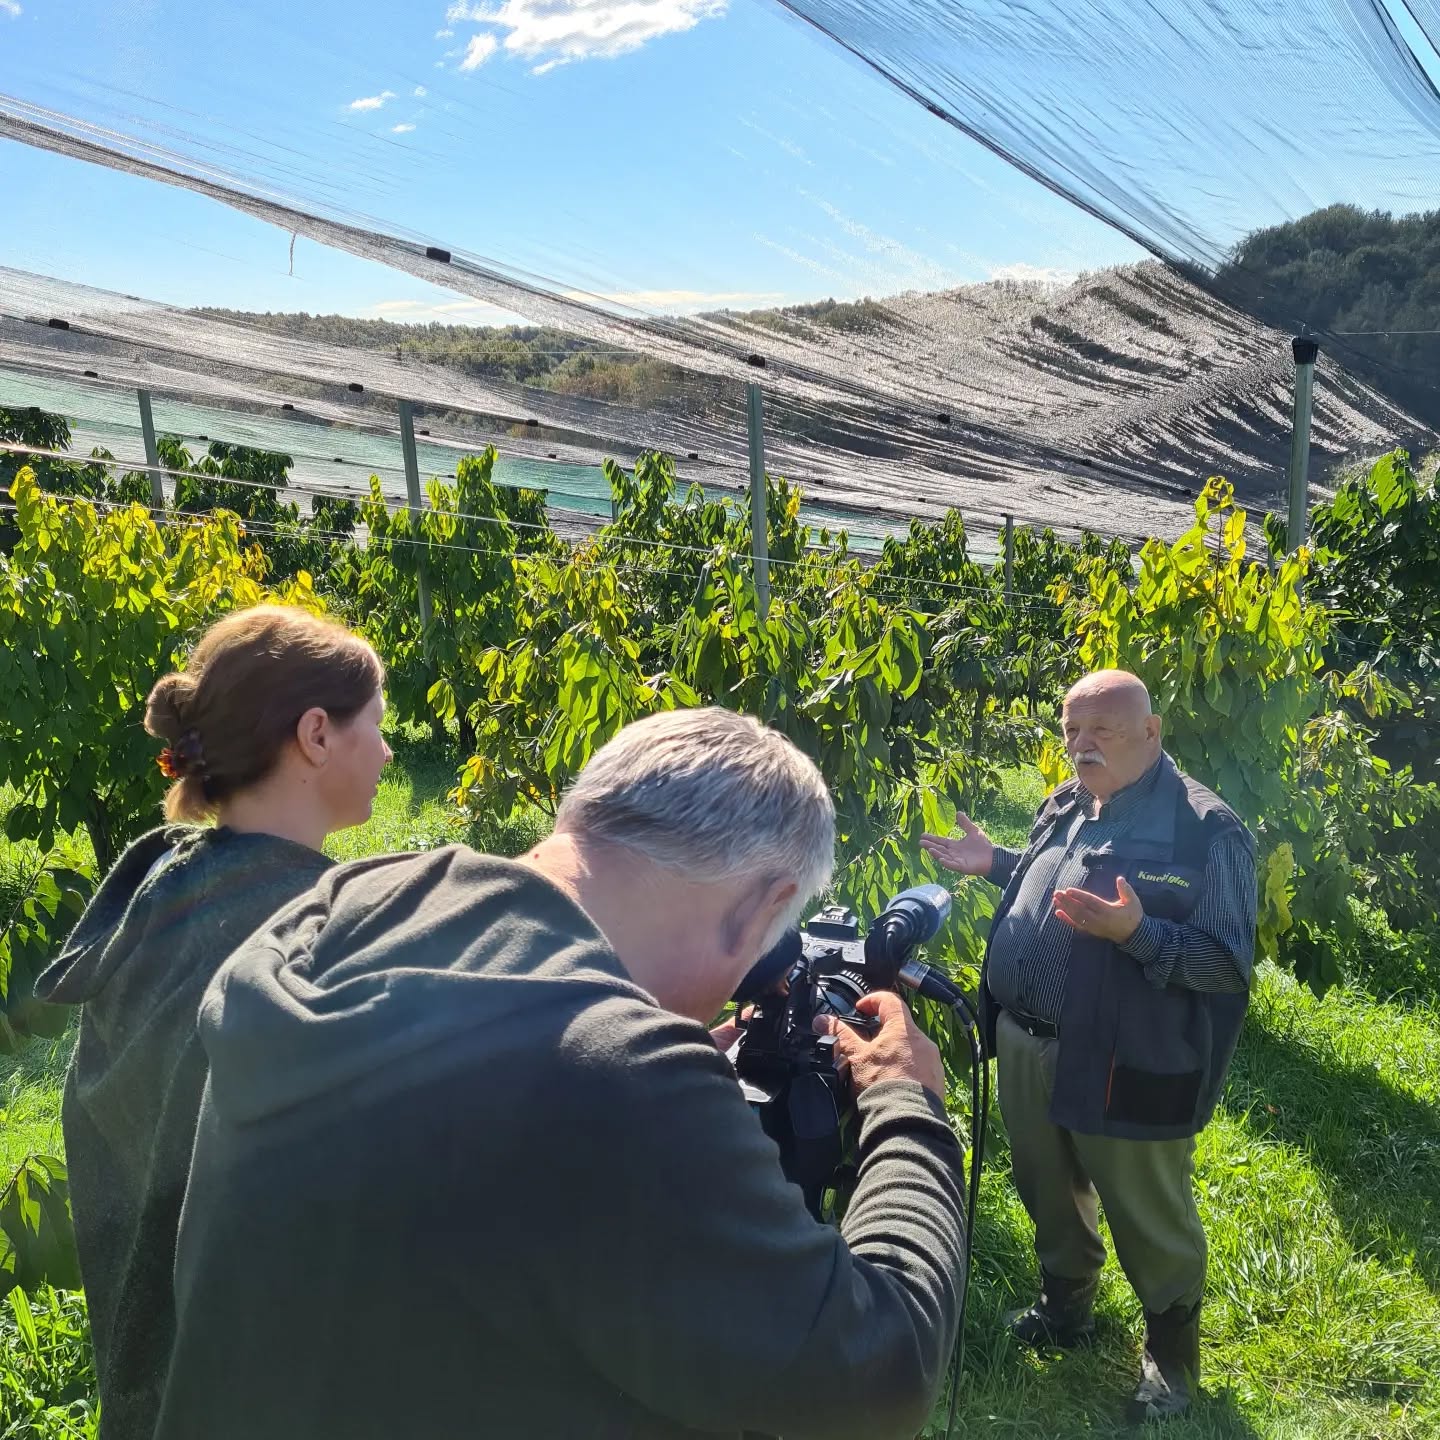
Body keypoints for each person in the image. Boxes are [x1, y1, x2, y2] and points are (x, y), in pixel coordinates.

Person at [154, 706, 967, 1440]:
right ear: (766, 906)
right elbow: (879, 1372)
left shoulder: (338, 909)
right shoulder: (625, 1083)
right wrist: (904, 1104)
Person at [35, 605, 391, 1440]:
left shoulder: (165, 884)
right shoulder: (307, 929)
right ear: (315, 735)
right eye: (375, 726)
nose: (385, 752)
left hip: (157, 1365)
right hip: (256, 1386)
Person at [922, 669, 1255, 1423]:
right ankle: (1065, 1307)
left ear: (1152, 731)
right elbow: (1061, 882)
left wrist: (1138, 935)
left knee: (1146, 1207)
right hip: (1029, 1041)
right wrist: (999, 865)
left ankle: (1171, 1357)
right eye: (1072, 729)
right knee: (1047, 1188)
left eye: (1101, 729)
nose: (1081, 745)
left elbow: (1227, 965)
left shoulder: (1205, 830)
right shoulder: (1068, 801)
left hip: (1125, 1054)